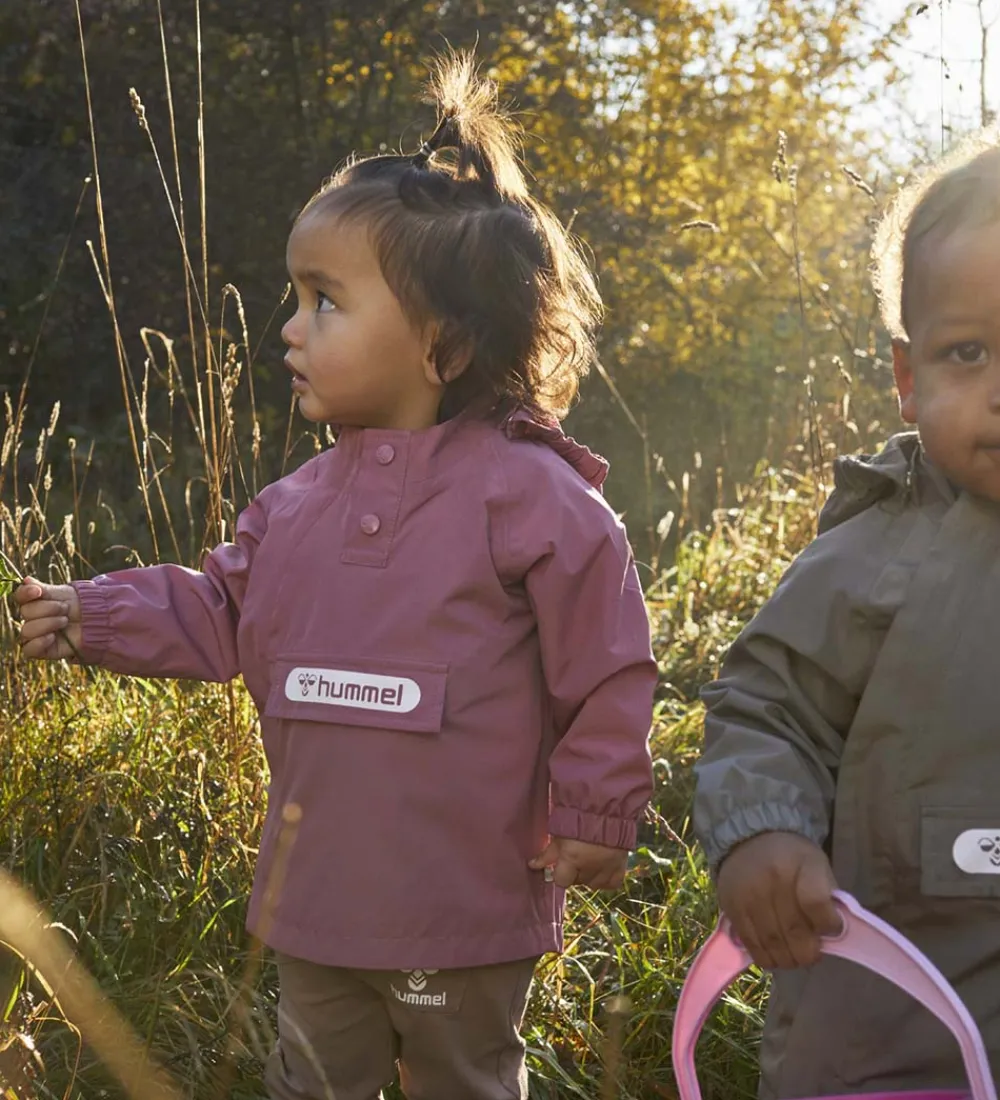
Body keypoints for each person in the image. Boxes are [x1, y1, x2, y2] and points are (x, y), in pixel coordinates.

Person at [16, 52, 657, 1100]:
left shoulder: (534, 500)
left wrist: (595, 810)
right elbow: (219, 607)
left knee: (464, 1081)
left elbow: (608, 666)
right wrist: (91, 613)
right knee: (310, 1080)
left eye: (324, 303)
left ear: (442, 343)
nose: (290, 329)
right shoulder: (295, 505)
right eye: (296, 298)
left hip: (465, 904)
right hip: (315, 904)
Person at [693, 127, 1000, 1098]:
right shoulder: (874, 553)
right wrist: (762, 830)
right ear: (909, 378)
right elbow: (765, 703)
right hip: (885, 1025)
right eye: (969, 352)